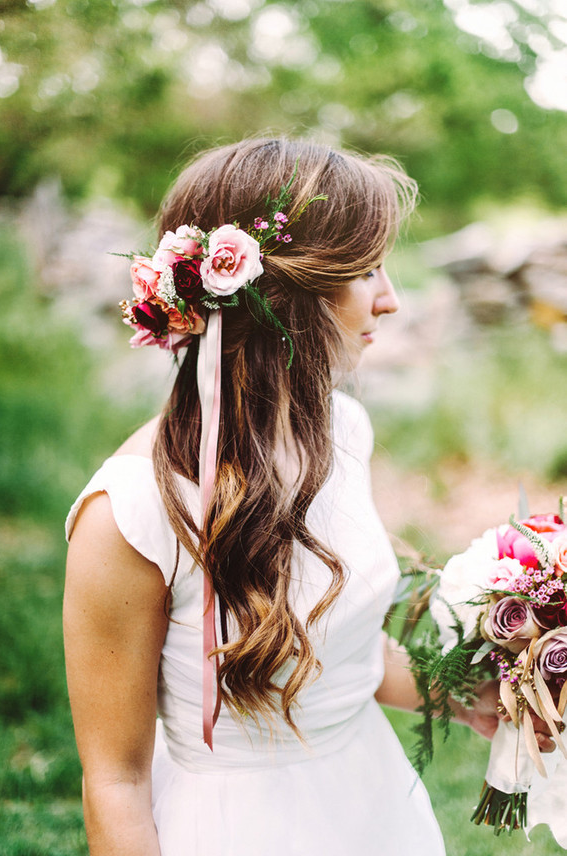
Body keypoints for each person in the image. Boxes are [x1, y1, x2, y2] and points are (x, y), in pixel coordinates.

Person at [63, 138, 552, 856]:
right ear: (284, 299)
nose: (391, 299)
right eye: (366, 271)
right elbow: (115, 783)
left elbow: (341, 651)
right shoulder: (130, 512)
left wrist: (477, 693)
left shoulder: (340, 428)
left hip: (371, 804)